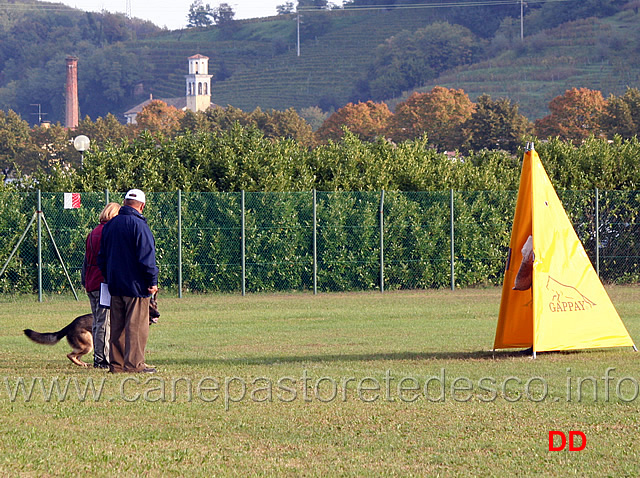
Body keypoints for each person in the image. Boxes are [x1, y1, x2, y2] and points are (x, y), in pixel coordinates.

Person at [97, 189, 159, 373]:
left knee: (117, 327)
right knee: (136, 327)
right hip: (136, 286)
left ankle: (116, 364)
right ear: (142, 205)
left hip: (115, 285)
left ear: (124, 203)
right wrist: (152, 281)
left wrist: (109, 277)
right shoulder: (139, 226)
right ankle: (134, 365)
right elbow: (146, 258)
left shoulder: (110, 225)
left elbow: (102, 257)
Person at [82, 202, 121, 369]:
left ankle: (99, 357)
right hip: (102, 282)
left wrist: (85, 280)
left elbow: (86, 260)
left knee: (97, 321)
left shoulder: (92, 233)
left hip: (91, 281)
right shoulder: (108, 233)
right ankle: (102, 359)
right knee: (104, 322)